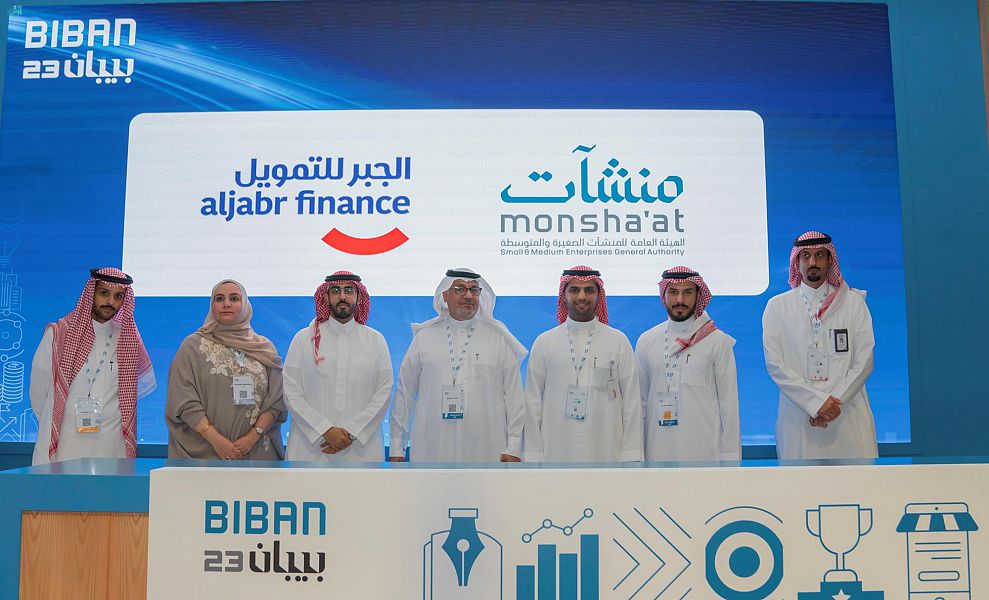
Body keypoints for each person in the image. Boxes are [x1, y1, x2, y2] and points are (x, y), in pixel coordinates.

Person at [389, 269, 527, 462]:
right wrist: (397, 447)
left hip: (487, 448)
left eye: (474, 290)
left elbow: (514, 398)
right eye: (460, 289)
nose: (468, 295)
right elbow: (404, 395)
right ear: (445, 295)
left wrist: (514, 446)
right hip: (432, 447)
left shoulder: (498, 339)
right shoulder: (424, 337)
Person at [762, 231, 878, 459]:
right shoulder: (777, 307)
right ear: (797, 261)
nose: (813, 262)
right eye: (806, 255)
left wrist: (833, 404)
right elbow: (775, 365)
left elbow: (865, 360)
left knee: (856, 481)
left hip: (847, 415)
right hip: (799, 418)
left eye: (819, 255)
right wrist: (815, 403)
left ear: (830, 260)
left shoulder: (853, 303)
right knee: (800, 482)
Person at [30, 268, 155, 465]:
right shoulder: (58, 335)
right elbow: (39, 394)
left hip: (111, 447)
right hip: (65, 444)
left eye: (118, 296)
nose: (110, 301)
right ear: (91, 293)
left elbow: (135, 390)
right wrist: (54, 422)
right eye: (104, 293)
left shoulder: (129, 339)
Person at [524, 266, 642, 462]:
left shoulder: (618, 341)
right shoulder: (544, 342)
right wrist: (533, 454)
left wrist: (631, 454)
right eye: (574, 290)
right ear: (563, 296)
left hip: (607, 450)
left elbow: (632, 402)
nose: (582, 296)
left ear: (598, 296)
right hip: (555, 450)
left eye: (589, 290)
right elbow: (532, 402)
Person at [165, 279, 286, 460]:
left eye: (234, 299)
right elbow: (183, 400)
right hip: (206, 453)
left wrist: (251, 439)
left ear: (245, 305)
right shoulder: (192, 346)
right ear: (212, 305)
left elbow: (275, 401)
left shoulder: (264, 348)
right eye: (219, 299)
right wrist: (218, 442)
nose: (226, 304)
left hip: (257, 452)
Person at [283, 271, 393, 461]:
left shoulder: (375, 340)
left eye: (349, 290)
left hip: (361, 451)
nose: (342, 296)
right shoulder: (303, 339)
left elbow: (383, 392)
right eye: (335, 291)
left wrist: (351, 433)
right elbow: (290, 391)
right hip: (309, 450)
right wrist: (324, 430)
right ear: (326, 297)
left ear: (359, 297)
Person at [636, 266, 740, 461]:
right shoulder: (647, 341)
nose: (680, 300)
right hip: (656, 450)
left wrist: (731, 457)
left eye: (688, 292)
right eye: (673, 292)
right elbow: (640, 404)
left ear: (698, 295)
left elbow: (729, 405)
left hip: (705, 452)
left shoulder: (717, 341)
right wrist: (637, 454)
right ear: (664, 295)